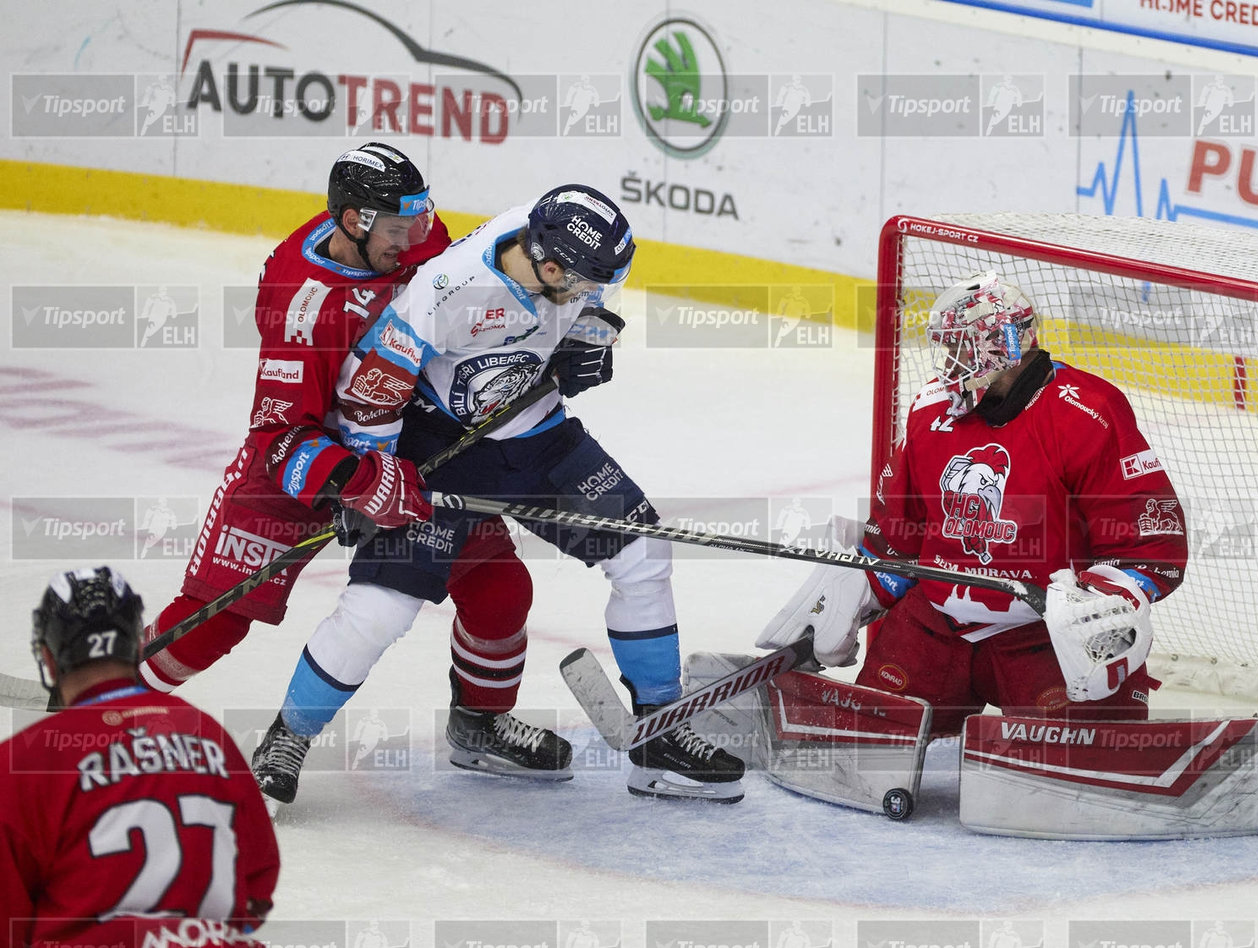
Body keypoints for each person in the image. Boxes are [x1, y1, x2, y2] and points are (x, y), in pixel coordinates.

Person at [252, 185, 745, 806]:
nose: (594, 297)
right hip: (437, 451)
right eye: (585, 285)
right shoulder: (447, 292)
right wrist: (371, 480)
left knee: (643, 554)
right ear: (547, 263)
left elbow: (571, 323)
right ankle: (287, 736)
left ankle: (657, 736)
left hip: (537, 434)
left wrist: (580, 350)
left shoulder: (557, 256)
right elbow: (369, 386)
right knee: (381, 607)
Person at [760, 271, 1189, 734]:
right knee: (868, 741)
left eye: (961, 346)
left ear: (1004, 345)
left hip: (1042, 630)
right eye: (946, 346)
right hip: (937, 622)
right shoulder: (930, 409)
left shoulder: (1086, 411)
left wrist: (1104, 602)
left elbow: (1150, 544)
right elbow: (899, 531)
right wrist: (859, 585)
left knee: (1093, 754)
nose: (949, 361)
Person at [138, 141, 463, 692]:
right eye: (397, 230)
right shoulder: (304, 309)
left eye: (419, 219)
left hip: (411, 445)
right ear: (354, 222)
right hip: (309, 461)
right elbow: (280, 436)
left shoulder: (409, 232)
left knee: (493, 583)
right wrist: (353, 482)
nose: (415, 241)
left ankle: (480, 720)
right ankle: (104, 707)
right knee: (214, 619)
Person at [0, 567, 280, 945]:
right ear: (136, 646)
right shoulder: (207, 734)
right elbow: (257, 883)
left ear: (48, 660)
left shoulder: (22, 763)